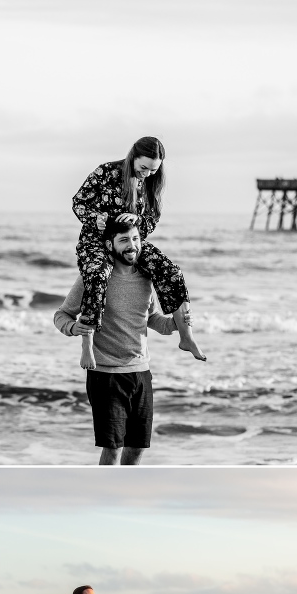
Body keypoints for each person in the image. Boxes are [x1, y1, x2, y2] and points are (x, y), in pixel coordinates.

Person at [55, 217, 184, 465]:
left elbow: (152, 318)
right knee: (113, 448)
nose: (131, 245)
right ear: (109, 245)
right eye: (124, 240)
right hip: (106, 375)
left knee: (137, 448)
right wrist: (72, 327)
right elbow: (61, 315)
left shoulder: (146, 278)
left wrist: (175, 325)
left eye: (135, 239)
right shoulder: (93, 278)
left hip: (141, 373)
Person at [71, 136, 206, 369]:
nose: (147, 173)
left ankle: (187, 337)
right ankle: (87, 345)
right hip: (96, 241)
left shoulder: (152, 182)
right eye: (144, 167)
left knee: (171, 272)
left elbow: (152, 220)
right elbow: (79, 202)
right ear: (133, 156)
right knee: (96, 275)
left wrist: (138, 219)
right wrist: (98, 219)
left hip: (131, 243)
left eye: (154, 170)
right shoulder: (105, 172)